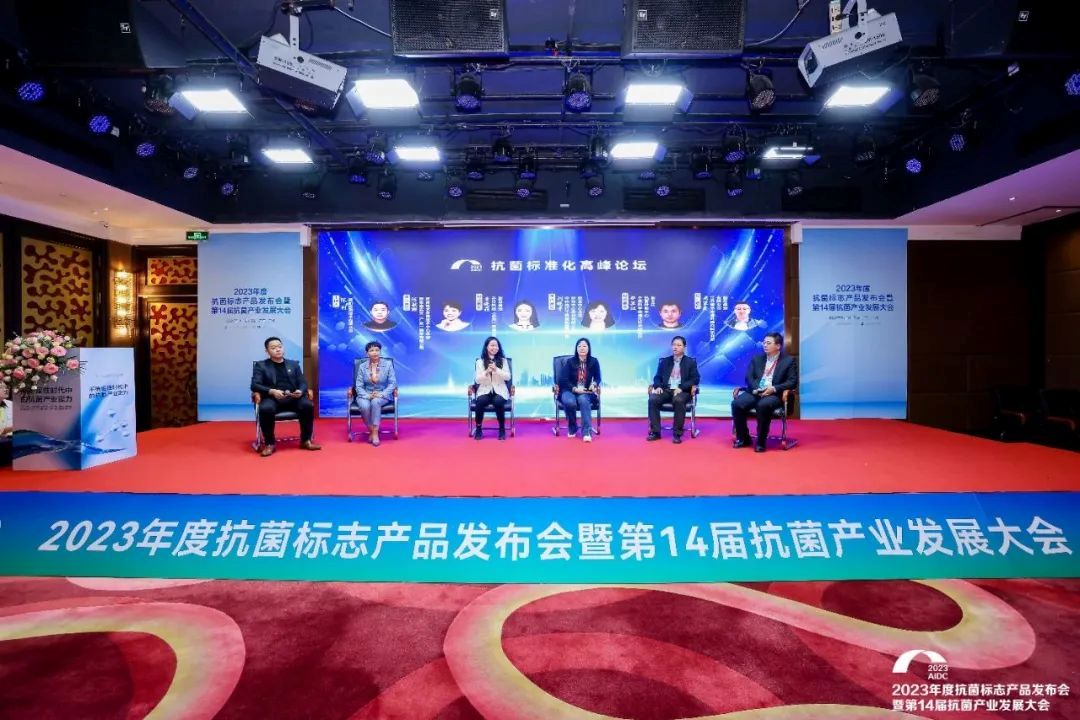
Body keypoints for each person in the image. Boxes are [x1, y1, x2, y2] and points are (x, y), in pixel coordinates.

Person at [251, 336, 321, 457]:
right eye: (273, 348)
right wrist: (272, 391)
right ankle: (269, 443)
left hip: (293, 397)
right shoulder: (261, 365)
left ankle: (306, 440)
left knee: (307, 405)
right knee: (266, 409)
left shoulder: (293, 364)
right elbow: (255, 385)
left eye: (279, 346)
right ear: (267, 351)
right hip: (272, 398)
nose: (278, 349)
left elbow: (302, 382)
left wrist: (300, 390)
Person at [731, 332, 798, 453]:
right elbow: (749, 377)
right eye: (764, 342)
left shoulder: (788, 361)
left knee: (763, 405)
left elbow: (792, 382)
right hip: (756, 391)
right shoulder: (757, 359)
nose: (765, 345)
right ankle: (744, 438)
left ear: (778, 346)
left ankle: (761, 441)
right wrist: (757, 389)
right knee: (737, 404)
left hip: (774, 394)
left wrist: (774, 388)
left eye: (768, 343)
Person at [647, 336, 700, 444]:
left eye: (679, 345)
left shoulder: (690, 362)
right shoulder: (665, 361)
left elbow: (695, 379)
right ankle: (655, 432)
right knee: (653, 399)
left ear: (684, 347)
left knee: (678, 400)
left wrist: (681, 388)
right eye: (674, 345)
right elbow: (657, 377)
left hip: (683, 391)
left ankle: (677, 434)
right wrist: (658, 386)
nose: (675, 347)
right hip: (666, 389)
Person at [353, 340, 397, 447]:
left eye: (377, 350)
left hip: (382, 394)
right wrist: (367, 395)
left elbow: (393, 383)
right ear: (367, 353)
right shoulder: (362, 366)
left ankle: (375, 433)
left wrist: (382, 394)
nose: (375, 352)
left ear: (380, 351)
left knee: (375, 402)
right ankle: (371, 431)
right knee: (364, 406)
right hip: (365, 394)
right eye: (372, 350)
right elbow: (358, 385)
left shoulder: (387, 364)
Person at [558, 338, 601, 443]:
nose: (582, 348)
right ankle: (572, 427)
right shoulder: (570, 362)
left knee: (583, 400)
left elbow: (598, 377)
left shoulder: (594, 361)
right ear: (576, 349)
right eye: (579, 346)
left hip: (585, 391)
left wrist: (594, 384)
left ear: (588, 348)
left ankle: (586, 432)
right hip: (569, 389)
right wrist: (575, 389)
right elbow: (563, 380)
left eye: (584, 346)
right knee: (569, 402)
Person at [473, 336, 512, 440]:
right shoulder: (479, 362)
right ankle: (478, 428)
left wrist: (496, 370)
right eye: (492, 345)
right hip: (485, 390)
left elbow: (508, 377)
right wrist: (486, 372)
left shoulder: (503, 361)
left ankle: (502, 429)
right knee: (480, 401)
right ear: (486, 347)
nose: (495, 348)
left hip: (500, 391)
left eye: (496, 346)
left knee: (498, 402)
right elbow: (477, 380)